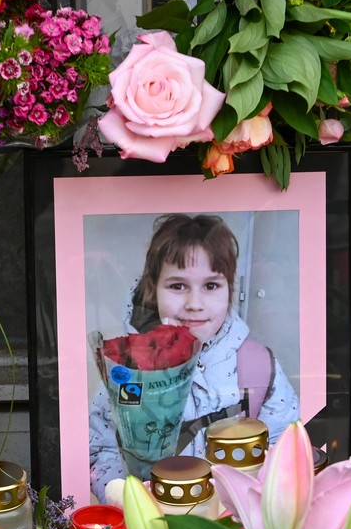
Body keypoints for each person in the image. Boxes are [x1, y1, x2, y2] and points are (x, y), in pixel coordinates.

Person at [88, 213, 300, 500]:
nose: (194, 304)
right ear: (153, 289)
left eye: (211, 286)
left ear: (229, 290)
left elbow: (286, 449)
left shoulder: (258, 367)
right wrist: (120, 494)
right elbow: (99, 446)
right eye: (177, 286)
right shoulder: (126, 367)